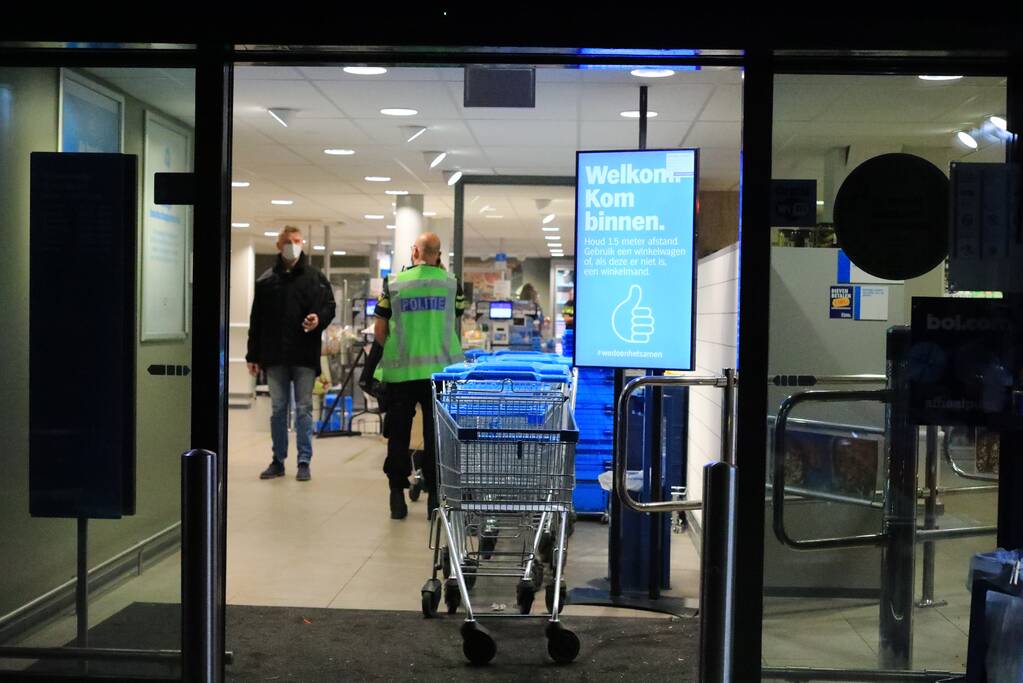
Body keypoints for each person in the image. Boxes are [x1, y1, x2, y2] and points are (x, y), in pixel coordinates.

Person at [361, 233, 464, 520]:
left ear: (415, 250)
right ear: (438, 254)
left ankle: (396, 495)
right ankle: (433, 497)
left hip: (401, 374)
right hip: (439, 374)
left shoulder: (394, 284)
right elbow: (454, 320)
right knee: (435, 436)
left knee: (398, 435)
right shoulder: (452, 285)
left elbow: (380, 331)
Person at [246, 225, 337, 482]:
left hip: (304, 355)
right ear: (278, 245)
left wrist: (317, 319)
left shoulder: (315, 278)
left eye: (297, 241)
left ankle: (304, 460)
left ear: (303, 244)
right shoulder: (266, 282)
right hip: (274, 356)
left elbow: (328, 307)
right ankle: (278, 459)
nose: (292, 245)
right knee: (278, 408)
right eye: (288, 241)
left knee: (305, 408)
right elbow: (257, 322)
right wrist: (252, 356)